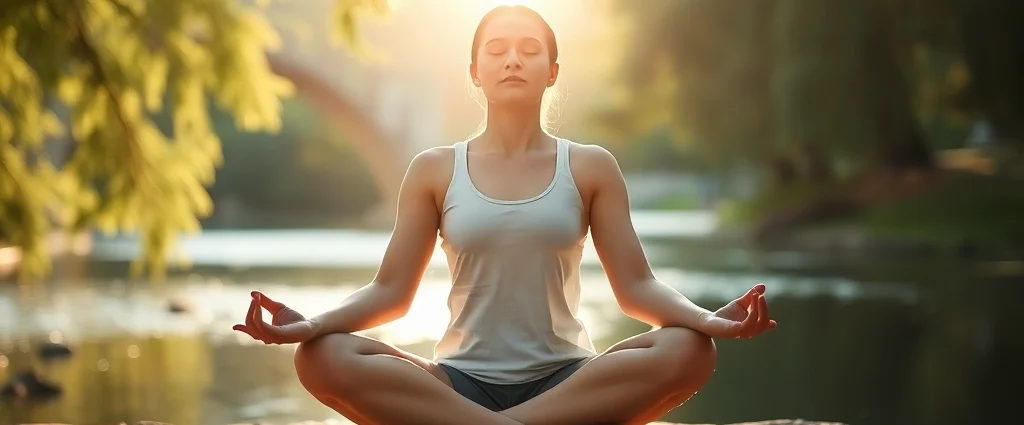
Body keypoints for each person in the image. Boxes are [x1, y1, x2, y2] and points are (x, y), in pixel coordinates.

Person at [232, 5, 776, 425]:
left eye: (528, 49)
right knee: (320, 358)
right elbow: (390, 293)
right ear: (474, 71)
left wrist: (705, 320)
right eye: (496, 49)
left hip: (570, 381)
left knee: (689, 350)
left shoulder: (590, 167)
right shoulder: (433, 169)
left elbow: (636, 288)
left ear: (552, 71)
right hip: (457, 382)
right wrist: (311, 324)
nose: (512, 59)